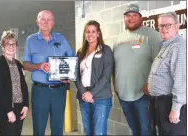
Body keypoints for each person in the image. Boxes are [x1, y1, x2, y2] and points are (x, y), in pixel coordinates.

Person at [113, 4, 162, 135]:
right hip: (123, 95)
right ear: (124, 18)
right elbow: (115, 65)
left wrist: (151, 85)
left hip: (143, 95)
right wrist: (115, 85)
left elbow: (160, 65)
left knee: (146, 131)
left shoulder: (152, 36)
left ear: (140, 18)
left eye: (134, 15)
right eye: (128, 16)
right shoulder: (118, 38)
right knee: (135, 130)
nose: (131, 18)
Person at [22, 10, 74, 135]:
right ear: (37, 22)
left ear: (53, 22)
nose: (46, 22)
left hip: (59, 90)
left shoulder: (61, 38)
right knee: (39, 126)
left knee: (57, 126)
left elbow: (71, 59)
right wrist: (38, 66)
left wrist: (67, 76)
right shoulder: (31, 40)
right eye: (42, 19)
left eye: (49, 19)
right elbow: (25, 64)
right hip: (40, 91)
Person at [145, 12, 187, 135]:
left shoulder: (178, 47)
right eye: (160, 26)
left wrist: (176, 108)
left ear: (177, 26)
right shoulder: (166, 45)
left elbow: (181, 80)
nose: (163, 29)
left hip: (169, 103)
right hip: (160, 102)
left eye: (167, 25)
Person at [75, 20, 114, 135]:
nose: (90, 34)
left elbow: (106, 75)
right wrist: (84, 93)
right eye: (88, 31)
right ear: (84, 34)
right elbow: (76, 75)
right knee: (88, 131)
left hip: (101, 97)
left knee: (98, 132)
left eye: (93, 31)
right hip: (83, 97)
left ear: (98, 33)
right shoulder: (80, 52)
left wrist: (91, 93)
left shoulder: (105, 50)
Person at [0, 30, 29, 136]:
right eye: (8, 44)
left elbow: (23, 86)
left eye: (13, 44)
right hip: (5, 109)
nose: (11, 46)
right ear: (2, 46)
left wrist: (26, 105)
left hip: (19, 107)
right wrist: (8, 111)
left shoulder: (18, 64)